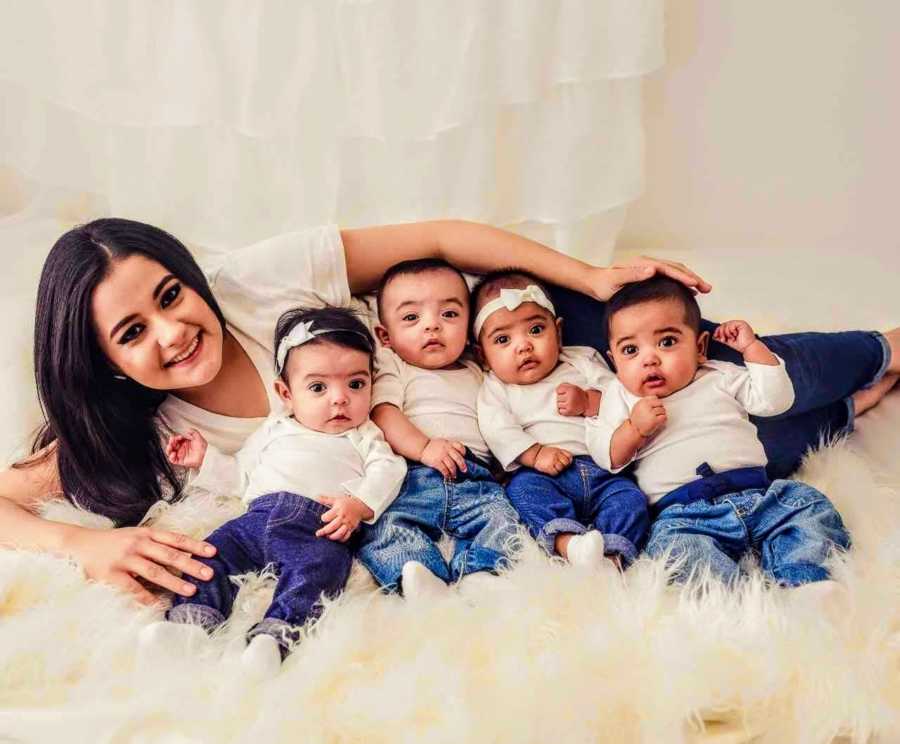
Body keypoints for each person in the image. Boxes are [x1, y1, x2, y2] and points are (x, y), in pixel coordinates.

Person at [0, 217, 895, 604]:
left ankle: (884, 345)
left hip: (506, 338)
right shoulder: (145, 431)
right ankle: (865, 399)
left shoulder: (253, 281)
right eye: (131, 331)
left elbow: (435, 239)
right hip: (513, 439)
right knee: (754, 442)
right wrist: (80, 543)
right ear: (102, 362)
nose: (171, 329)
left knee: (726, 367)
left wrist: (585, 277)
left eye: (168, 294)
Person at [141, 306, 405, 674]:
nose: (339, 398)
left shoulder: (364, 435)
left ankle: (275, 636)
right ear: (286, 393)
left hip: (318, 524)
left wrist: (359, 505)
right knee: (210, 555)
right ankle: (190, 624)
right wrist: (206, 460)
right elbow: (240, 477)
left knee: (321, 569)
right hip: (256, 517)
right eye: (318, 387)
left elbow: (389, 468)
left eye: (356, 384)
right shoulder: (273, 430)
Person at [586, 277, 851, 588]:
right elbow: (607, 456)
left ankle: (805, 581)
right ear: (614, 362)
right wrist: (634, 429)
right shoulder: (618, 397)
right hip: (684, 515)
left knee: (808, 506)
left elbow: (774, 401)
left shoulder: (719, 376)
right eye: (630, 349)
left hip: (759, 496)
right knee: (676, 550)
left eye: (667, 342)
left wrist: (752, 349)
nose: (650, 358)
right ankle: (733, 602)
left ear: (699, 348)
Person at [358, 259, 520, 598]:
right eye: (412, 318)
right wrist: (424, 448)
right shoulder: (394, 365)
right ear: (385, 336)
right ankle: (416, 575)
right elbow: (383, 413)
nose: (432, 326)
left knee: (502, 520)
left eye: (448, 315)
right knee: (387, 527)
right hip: (411, 474)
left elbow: (499, 421)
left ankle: (480, 573)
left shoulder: (480, 371)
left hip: (473, 475)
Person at [473, 269, 648, 570]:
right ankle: (570, 545)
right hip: (542, 474)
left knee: (631, 500)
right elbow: (496, 428)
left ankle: (612, 556)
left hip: (603, 470)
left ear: (559, 331)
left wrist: (589, 401)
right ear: (483, 356)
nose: (523, 345)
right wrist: (534, 453)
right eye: (503, 339)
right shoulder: (495, 387)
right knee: (522, 494)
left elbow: (620, 394)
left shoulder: (582, 360)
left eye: (536, 330)